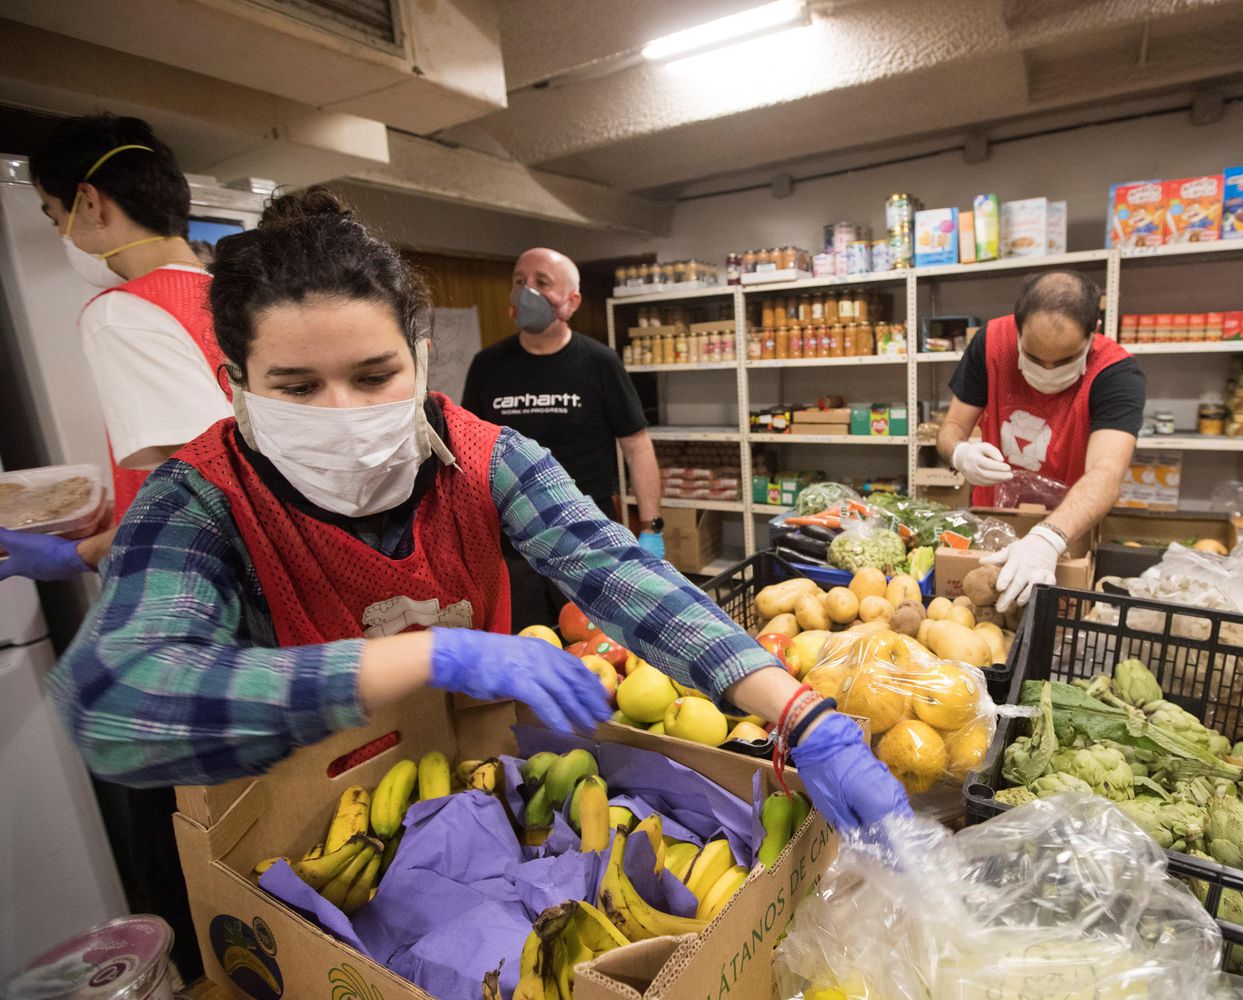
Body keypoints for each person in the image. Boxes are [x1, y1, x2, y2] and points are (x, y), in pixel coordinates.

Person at [52, 188, 908, 842]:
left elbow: (618, 574)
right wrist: (427, 655)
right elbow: (118, 702)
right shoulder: (200, 497)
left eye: (375, 373)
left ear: (422, 359)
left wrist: (802, 717)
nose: (344, 410)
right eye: (297, 387)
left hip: (474, 785)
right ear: (235, 385)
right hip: (304, 824)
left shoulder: (488, 458)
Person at [0, 114, 231, 582]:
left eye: (55, 214)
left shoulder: (123, 313)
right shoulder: (230, 293)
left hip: (193, 579)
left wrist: (79, 553)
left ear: (88, 202)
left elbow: (207, 494)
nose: (62, 232)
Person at [462, 248, 665, 628]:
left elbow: (637, 448)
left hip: (586, 536)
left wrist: (652, 528)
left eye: (542, 283)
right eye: (519, 282)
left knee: (596, 642)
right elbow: (469, 451)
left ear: (571, 302)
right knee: (528, 643)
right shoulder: (487, 365)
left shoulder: (599, 362)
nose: (527, 292)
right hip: (512, 542)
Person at [939, 270, 1145, 611]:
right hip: (993, 523)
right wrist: (960, 453)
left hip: (1067, 533)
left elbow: (1106, 473)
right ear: (1017, 329)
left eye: (1064, 361)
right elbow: (951, 428)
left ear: (1093, 332)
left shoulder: (1117, 373)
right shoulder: (991, 342)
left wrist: (1047, 539)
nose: (1048, 371)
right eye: (1034, 358)